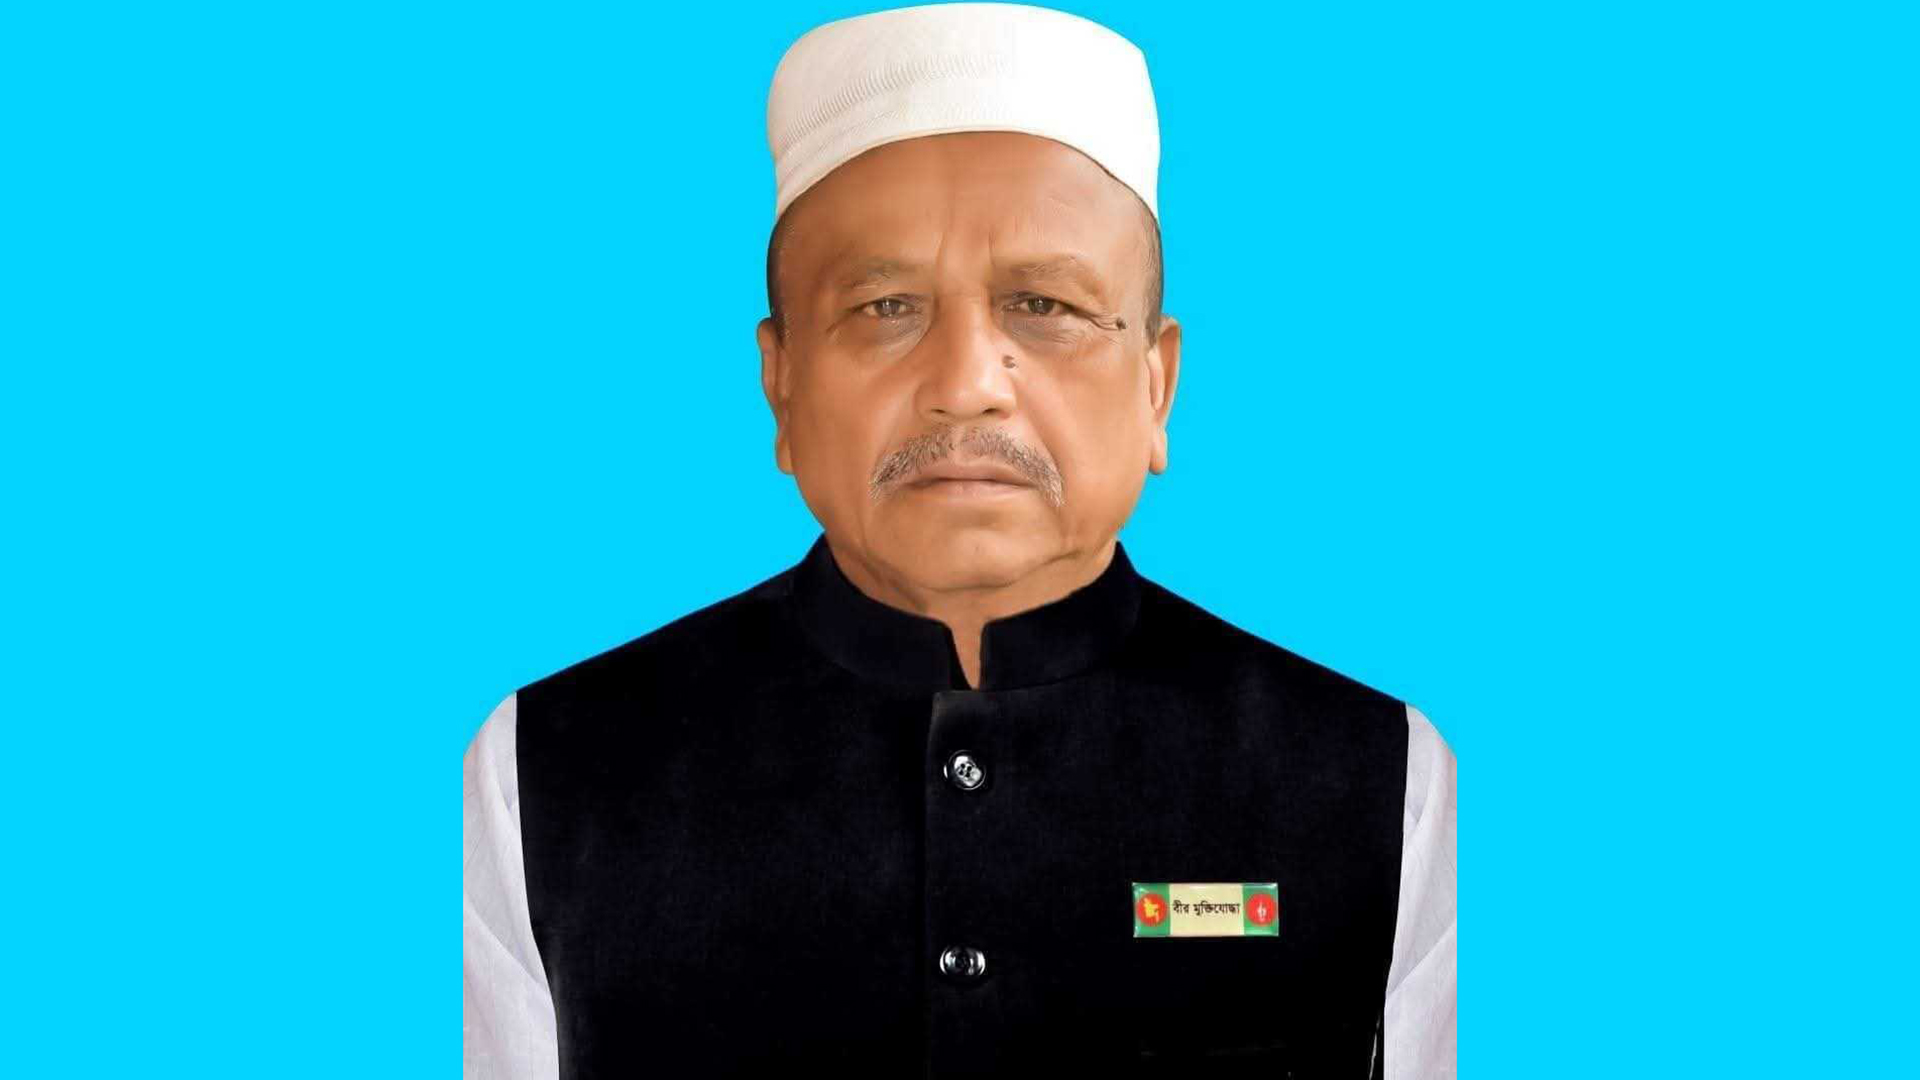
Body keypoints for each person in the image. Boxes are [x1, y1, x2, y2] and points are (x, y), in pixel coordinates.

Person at [463, 3, 1456, 1077]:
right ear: (781, 386)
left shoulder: (1384, 783)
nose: (968, 383)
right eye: (886, 306)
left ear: (1156, 387)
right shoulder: (543, 775)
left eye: (1045, 304)